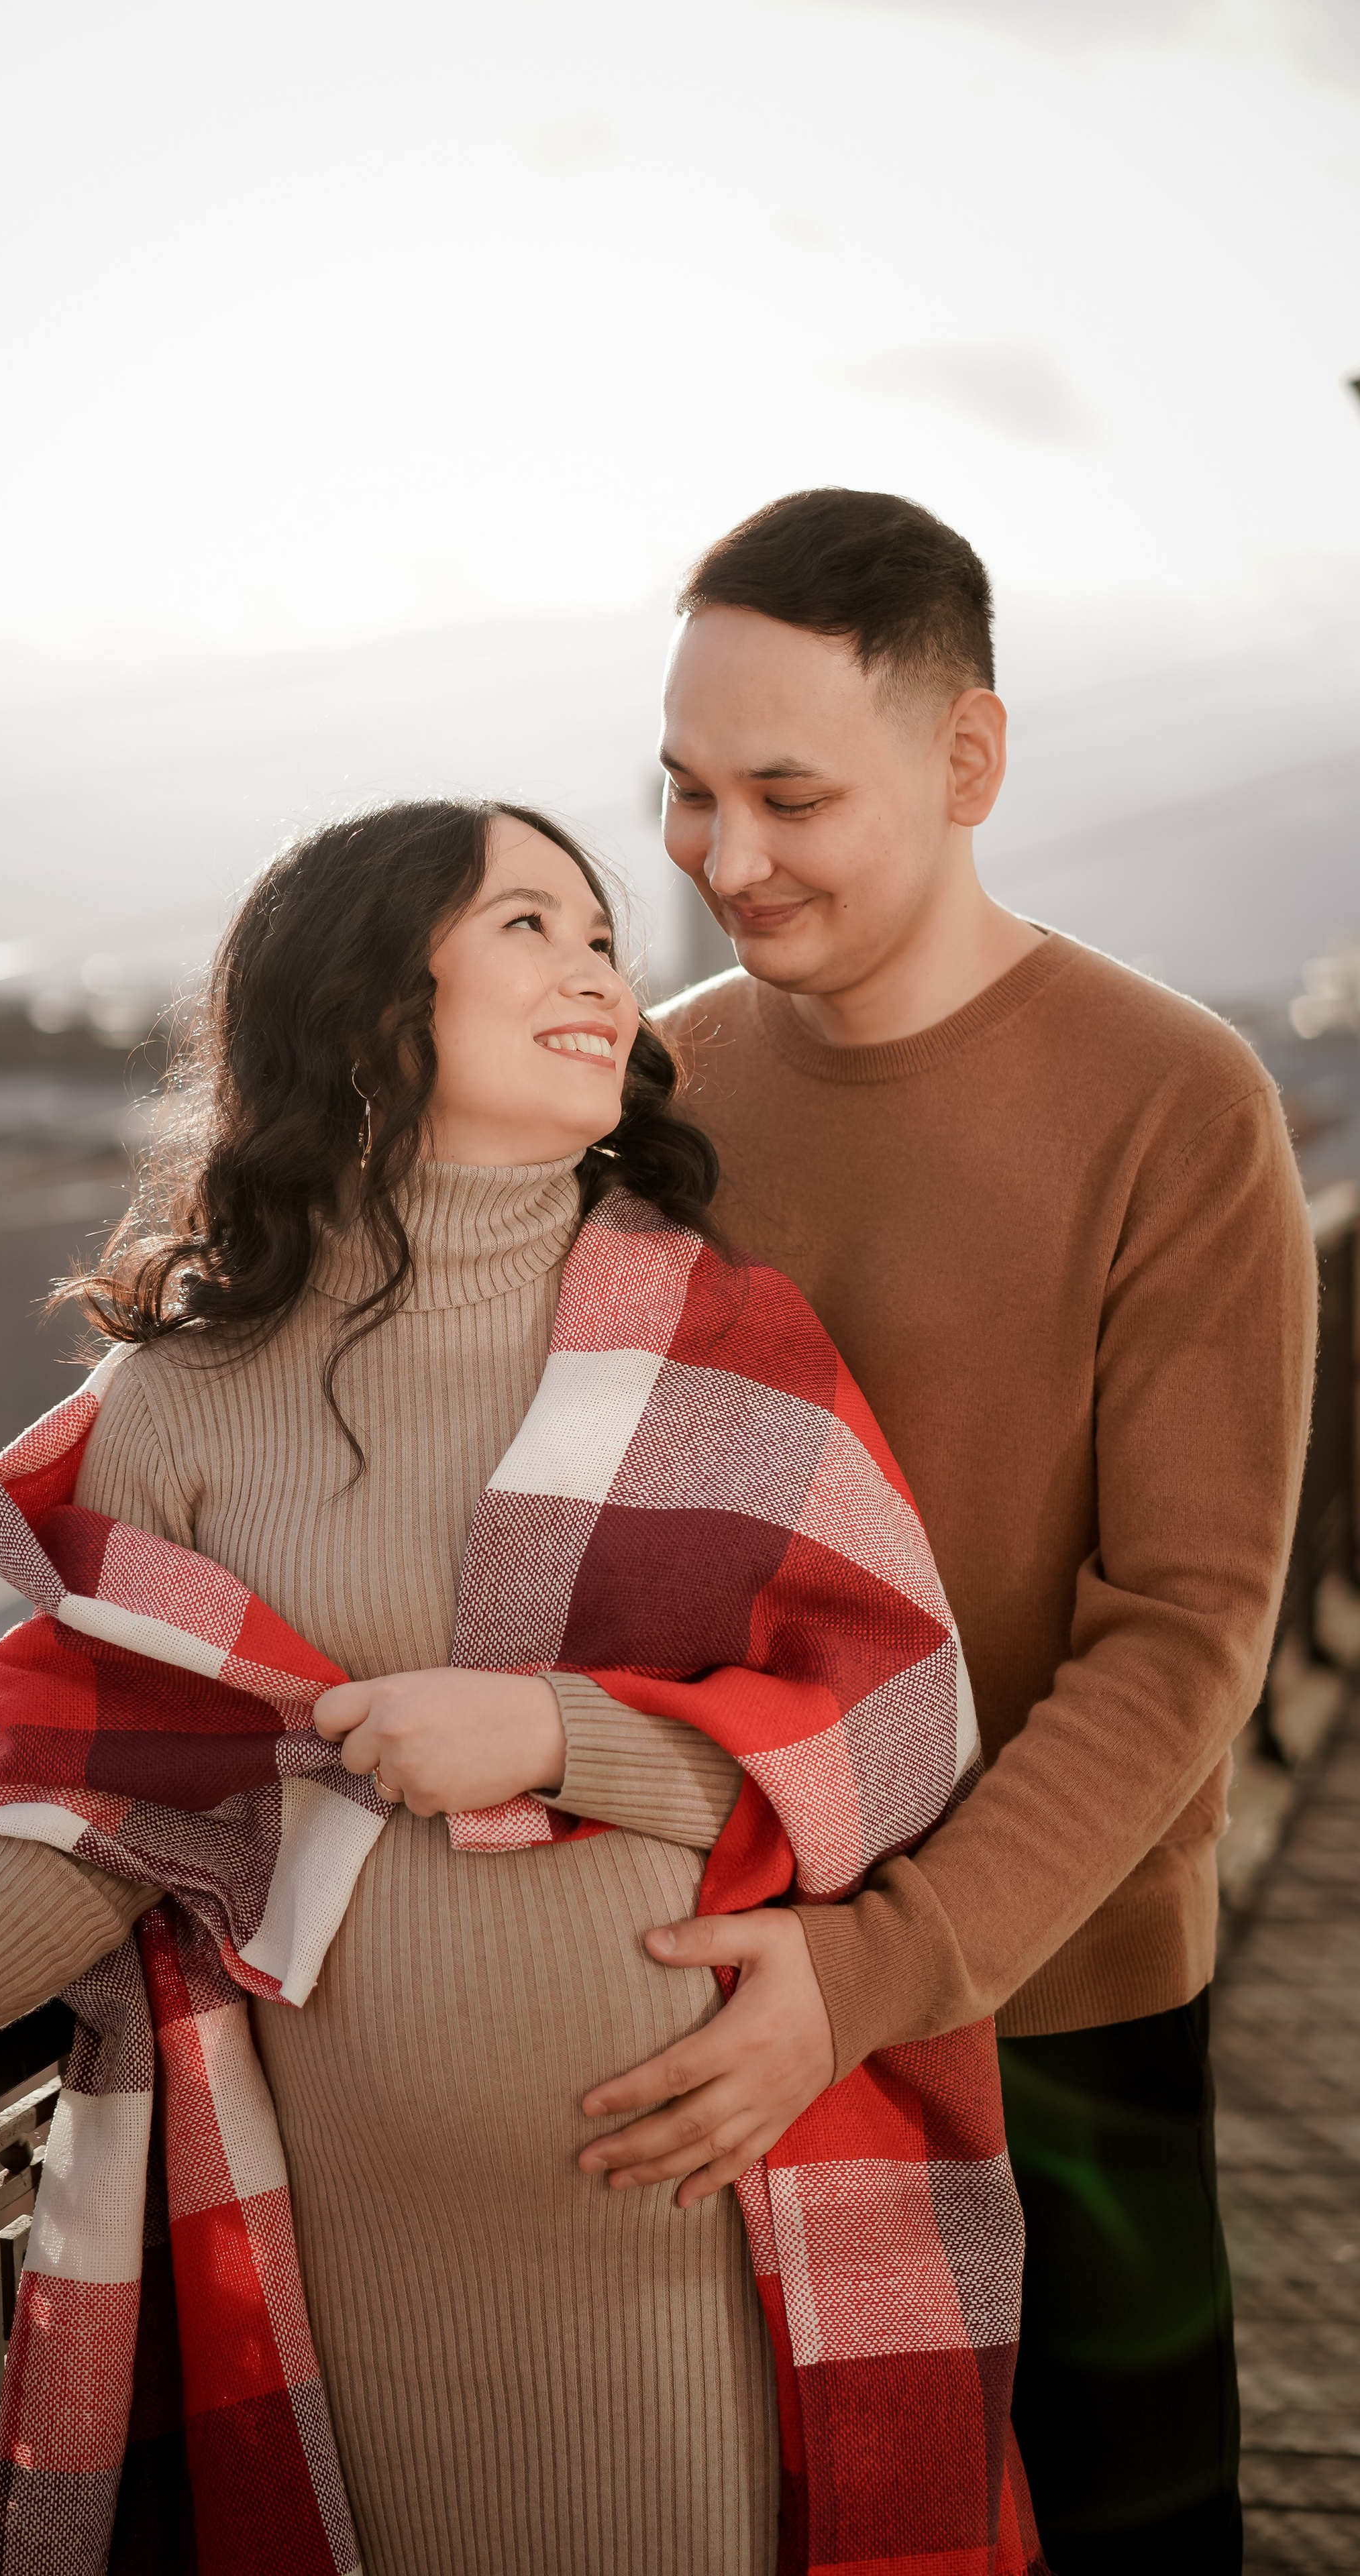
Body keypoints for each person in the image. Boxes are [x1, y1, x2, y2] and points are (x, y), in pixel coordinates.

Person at [0, 798, 1043, 2576]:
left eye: (603, 938)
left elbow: (900, 1724)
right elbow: (86, 1815)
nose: (599, 971)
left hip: (694, 2220)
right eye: (529, 925)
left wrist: (557, 1734)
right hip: (354, 2263)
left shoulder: (724, 1340)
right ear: (374, 1005)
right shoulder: (184, 1404)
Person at [629, 485, 1318, 2573]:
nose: (728, 859)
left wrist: (882, 1973)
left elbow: (1187, 1638)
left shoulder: (1177, 1104)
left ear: (968, 759)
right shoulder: (652, 1097)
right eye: (686, 794)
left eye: (789, 797)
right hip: (705, 2004)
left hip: (1059, 2035)